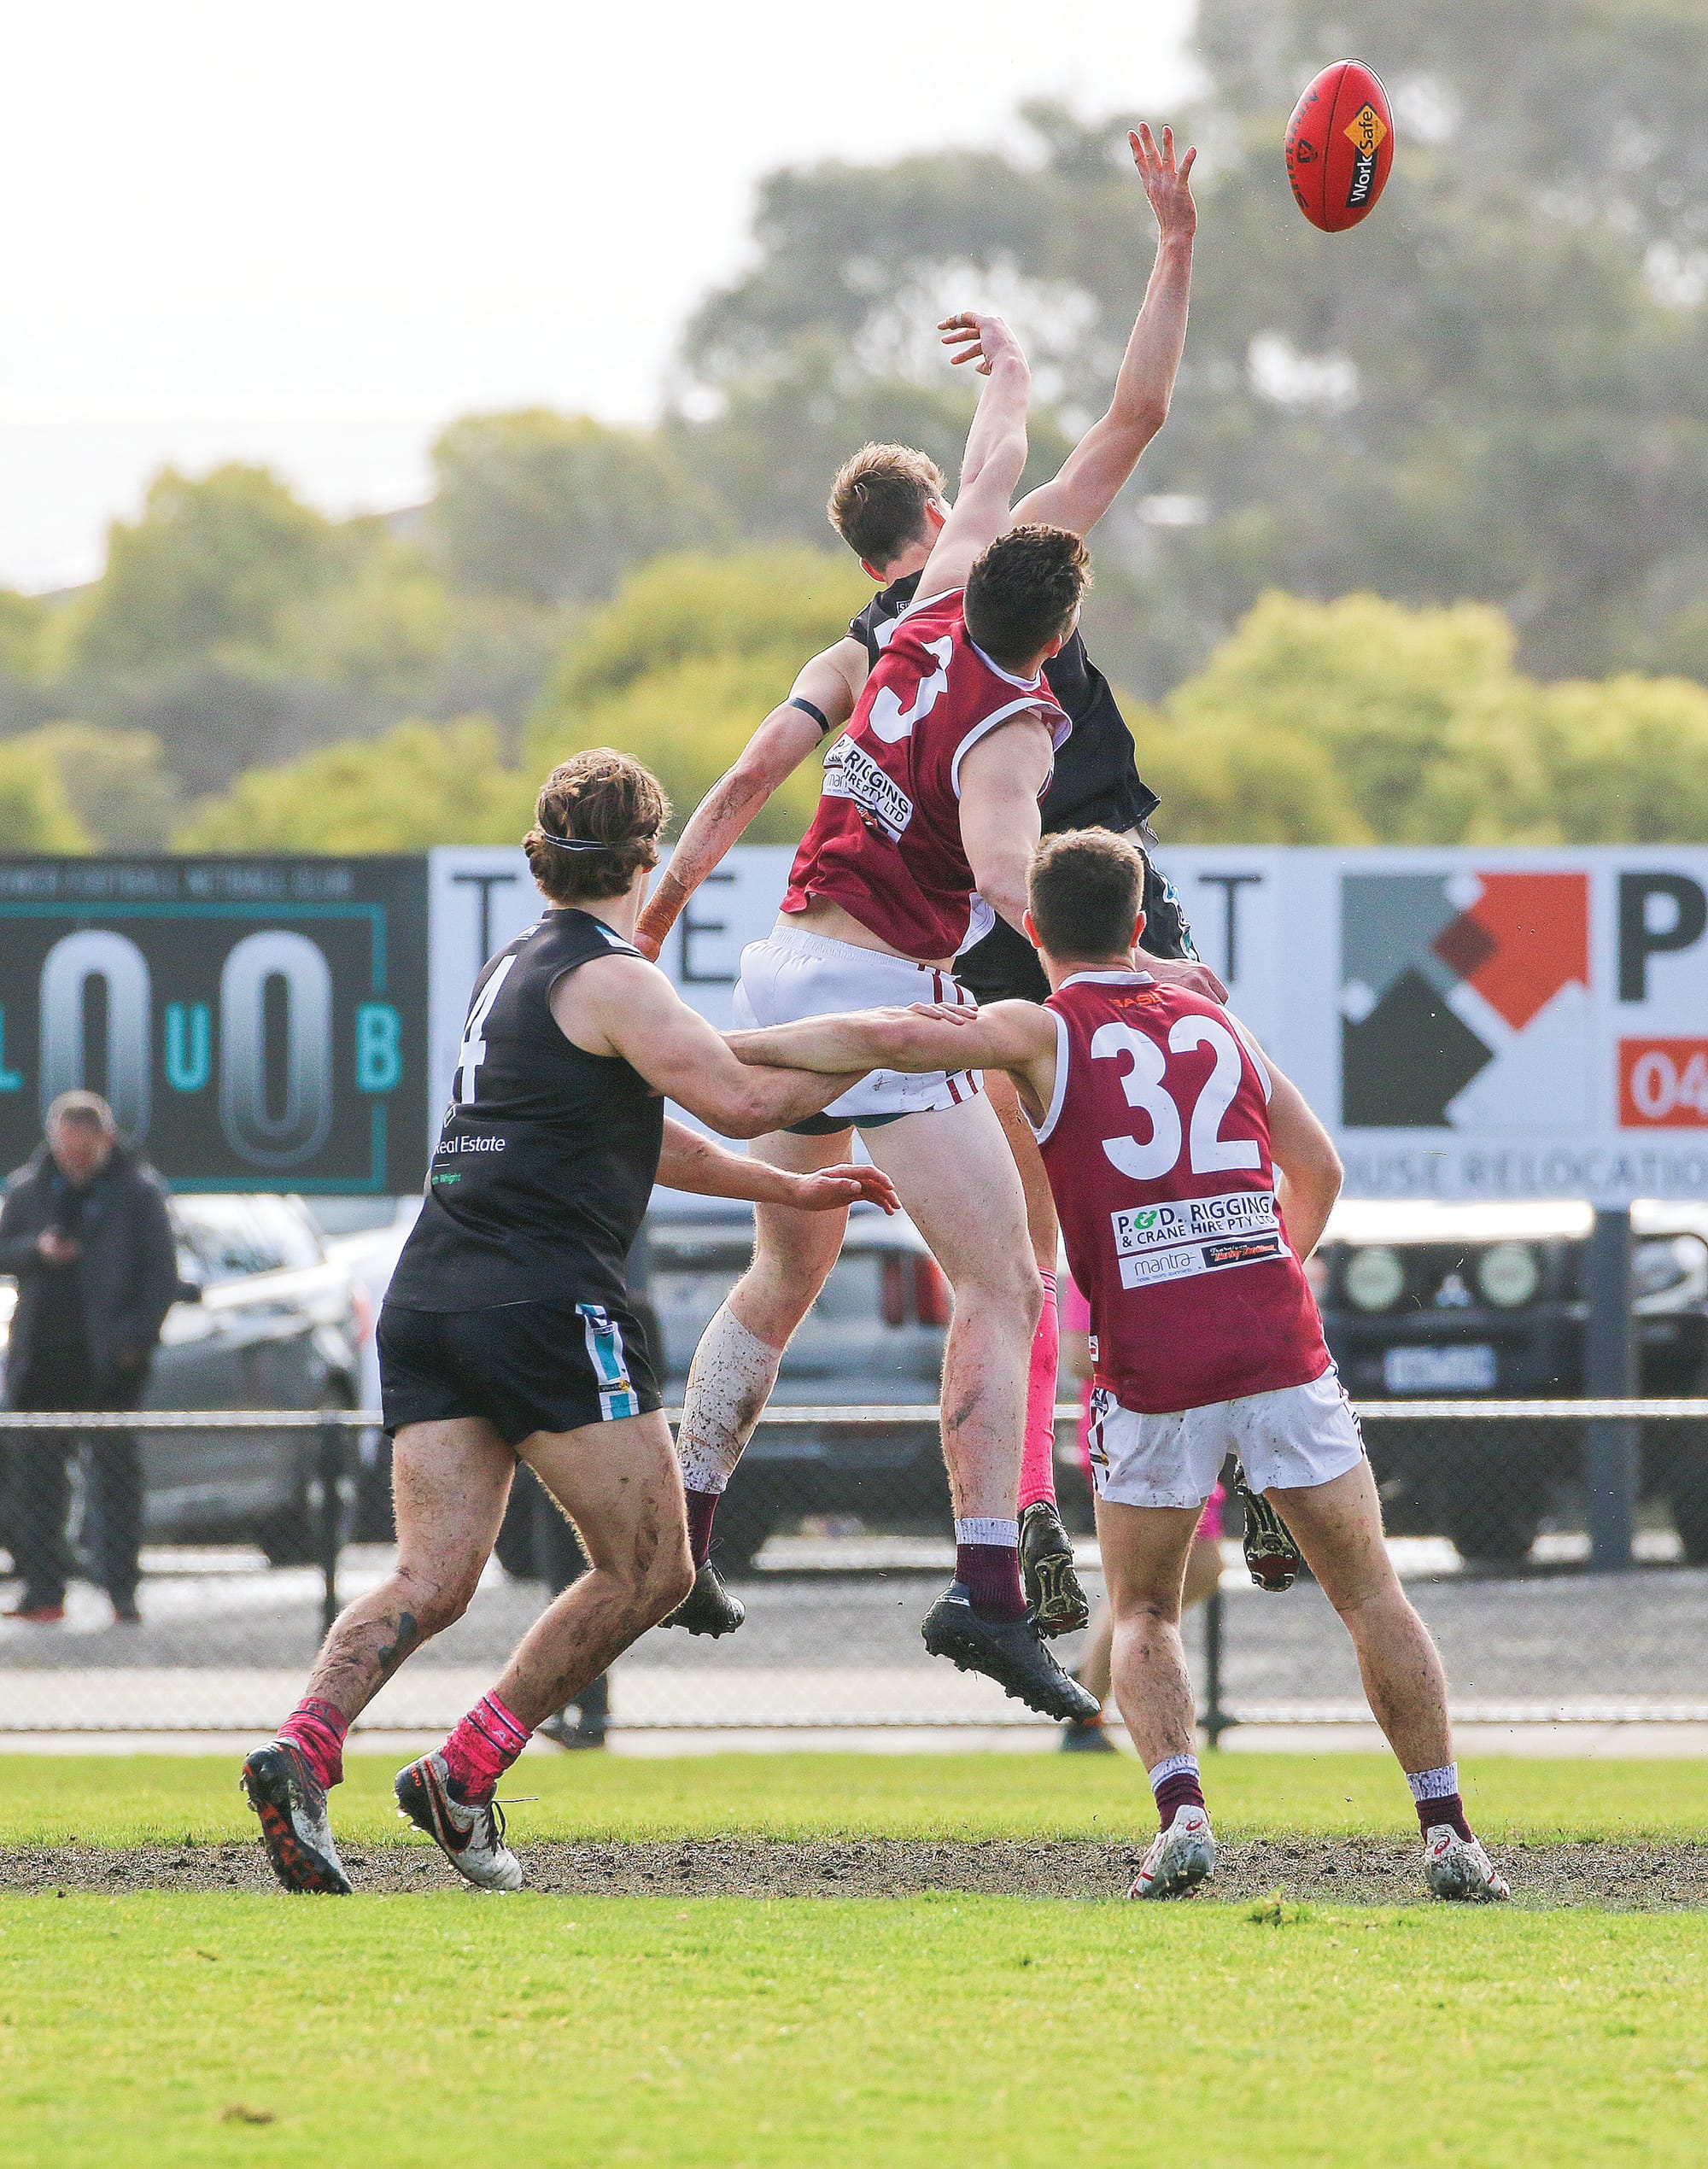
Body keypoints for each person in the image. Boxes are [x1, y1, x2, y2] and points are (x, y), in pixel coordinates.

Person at [636, 126, 1220, 1636]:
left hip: (835, 949)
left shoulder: (885, 627)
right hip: (1041, 916)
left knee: (814, 1237)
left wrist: (651, 916)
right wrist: (1159, 257)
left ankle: (696, 1517)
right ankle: (1100, 1503)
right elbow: (1129, 418)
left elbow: (741, 790)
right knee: (1113, 1220)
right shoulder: (1010, 631)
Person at [728, 828, 1511, 1903]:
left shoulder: (1038, 1032)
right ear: (1140, 925)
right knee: (1371, 1591)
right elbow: (1317, 1167)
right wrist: (1267, 1262)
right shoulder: (1216, 1020)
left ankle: (1181, 1815)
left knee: (1140, 1609)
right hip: (1274, 1337)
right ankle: (1447, 1832)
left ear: (1031, 930)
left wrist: (736, 1045)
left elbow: (888, 1035)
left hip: (1151, 1365)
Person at [241, 750, 899, 1895]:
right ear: (647, 862)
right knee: (652, 1568)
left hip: (433, 1294)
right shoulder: (618, 975)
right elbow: (744, 1100)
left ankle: (303, 1746)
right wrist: (905, 1048)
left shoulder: (514, 967)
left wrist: (790, 1190)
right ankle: (465, 1770)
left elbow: (638, 1131)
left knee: (432, 1579)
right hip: (545, 1300)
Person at [0, 1091, 180, 1625]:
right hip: (41, 1361)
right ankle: (43, 1592)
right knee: (36, 1482)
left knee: (115, 1480)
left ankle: (122, 1593)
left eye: (83, 1152)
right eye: (65, 1151)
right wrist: (37, 1249)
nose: (73, 1161)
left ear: (104, 1141)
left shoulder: (138, 1193)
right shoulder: (29, 1189)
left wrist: (134, 1343)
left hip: (110, 1366)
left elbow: (161, 1277)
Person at [1055, 1273, 1225, 1752]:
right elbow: (1075, 1360)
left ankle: (1089, 1683)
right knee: (1147, 1591)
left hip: (1183, 1429)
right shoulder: (1089, 1270)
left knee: (1187, 1575)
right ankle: (1088, 1699)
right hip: (1130, 1437)